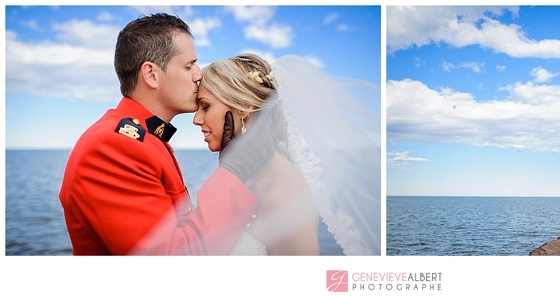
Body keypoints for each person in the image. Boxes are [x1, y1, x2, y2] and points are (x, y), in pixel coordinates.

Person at [59, 13, 267, 255]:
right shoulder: (112, 147)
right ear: (151, 75)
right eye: (189, 65)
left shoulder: (146, 138)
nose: (199, 74)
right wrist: (233, 173)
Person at [194, 53, 381, 255]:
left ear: (245, 107)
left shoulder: (284, 192)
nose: (196, 119)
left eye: (206, 106)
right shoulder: (243, 175)